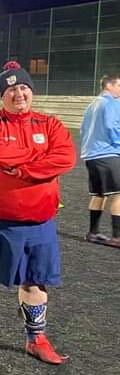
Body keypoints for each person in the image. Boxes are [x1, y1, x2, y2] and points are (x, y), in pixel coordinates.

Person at [0, 61, 76, 364]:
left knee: (35, 282)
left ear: (32, 91)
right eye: (12, 89)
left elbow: (66, 157)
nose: (19, 93)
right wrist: (41, 159)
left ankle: (36, 338)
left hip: (41, 220)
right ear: (3, 95)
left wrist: (23, 169)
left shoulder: (49, 123)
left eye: (24, 87)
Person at [79, 73, 120, 247]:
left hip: (91, 155)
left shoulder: (92, 104)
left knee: (99, 193)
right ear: (109, 86)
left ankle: (93, 232)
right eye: (119, 85)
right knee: (119, 194)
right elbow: (112, 126)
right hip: (107, 153)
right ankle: (117, 237)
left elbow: (83, 129)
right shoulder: (111, 103)